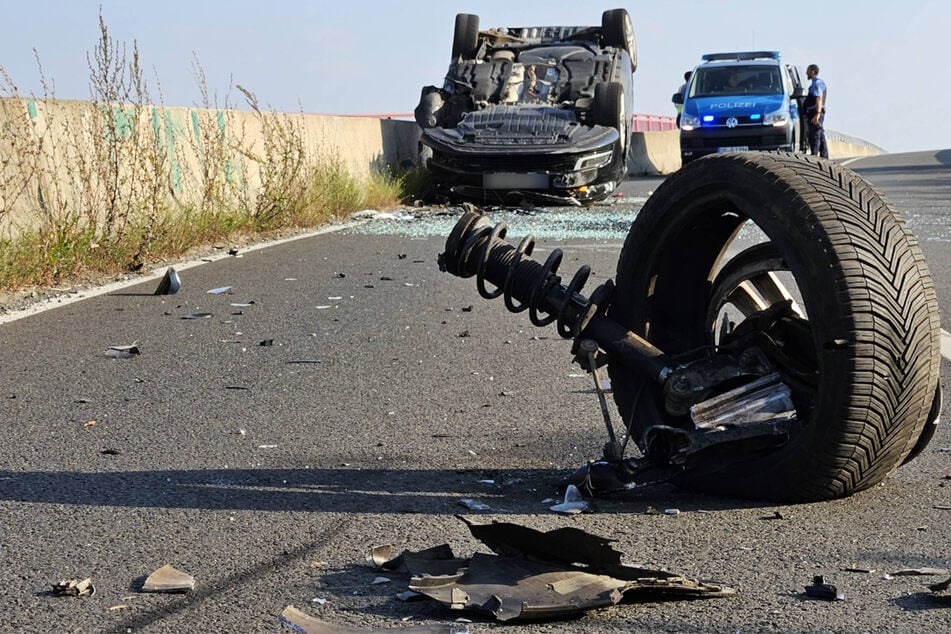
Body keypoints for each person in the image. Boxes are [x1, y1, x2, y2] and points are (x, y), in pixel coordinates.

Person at [804, 64, 828, 158]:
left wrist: (817, 114)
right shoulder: (818, 83)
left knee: (815, 135)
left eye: (808, 71)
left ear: (813, 71)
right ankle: (824, 156)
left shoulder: (817, 84)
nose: (806, 73)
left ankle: (814, 155)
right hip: (816, 111)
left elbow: (818, 98)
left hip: (815, 112)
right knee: (820, 134)